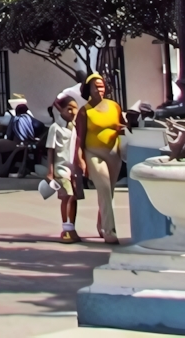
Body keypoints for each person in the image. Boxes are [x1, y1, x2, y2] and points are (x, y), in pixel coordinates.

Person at [75, 73, 125, 245]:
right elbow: (80, 137)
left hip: (114, 153)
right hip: (94, 153)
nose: (99, 89)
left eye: (101, 85)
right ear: (88, 89)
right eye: (95, 86)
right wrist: (80, 159)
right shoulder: (84, 111)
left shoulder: (114, 106)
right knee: (103, 188)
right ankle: (110, 231)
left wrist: (122, 128)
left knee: (108, 193)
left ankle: (101, 224)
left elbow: (122, 126)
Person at [46, 96, 82, 243]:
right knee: (67, 197)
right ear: (61, 109)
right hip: (60, 169)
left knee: (74, 199)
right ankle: (65, 229)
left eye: (75, 108)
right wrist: (50, 171)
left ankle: (72, 228)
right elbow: (50, 150)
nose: (73, 112)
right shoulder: (55, 128)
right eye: (69, 108)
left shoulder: (75, 127)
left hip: (73, 169)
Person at [0, 99, 37, 177]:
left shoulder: (16, 119)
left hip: (17, 143)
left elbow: (9, 135)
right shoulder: (29, 119)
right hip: (28, 142)